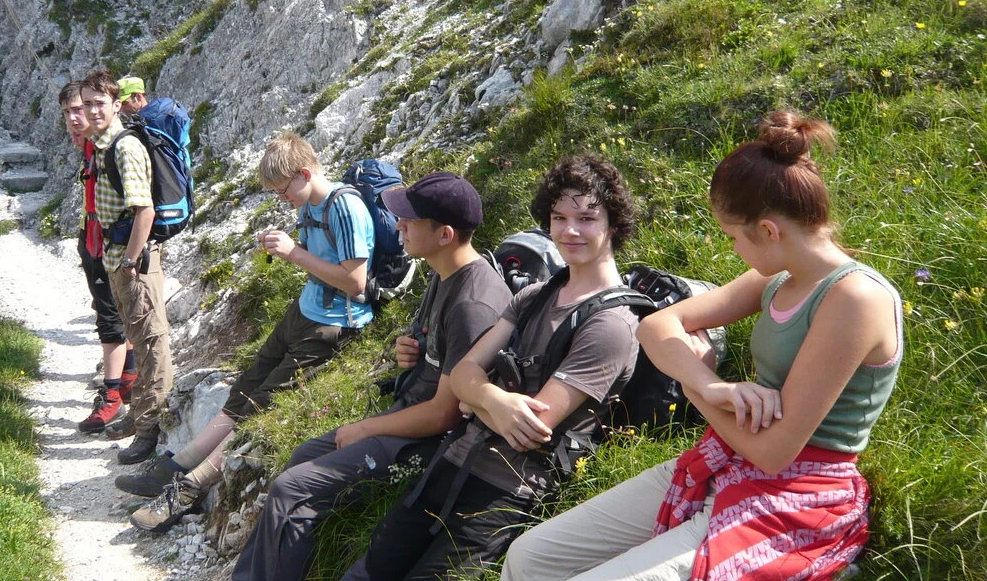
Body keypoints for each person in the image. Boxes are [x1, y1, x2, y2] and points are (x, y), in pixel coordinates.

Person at [500, 111, 903, 581]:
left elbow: (774, 451)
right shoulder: (776, 277)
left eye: (733, 237)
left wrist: (695, 390)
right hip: (729, 457)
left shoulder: (855, 298)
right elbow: (657, 326)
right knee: (527, 559)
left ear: (769, 231)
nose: (732, 250)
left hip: (797, 497)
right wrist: (711, 385)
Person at [343, 154, 642, 581]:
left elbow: (532, 427)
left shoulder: (611, 324)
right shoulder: (534, 296)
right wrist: (492, 399)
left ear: (614, 225)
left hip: (505, 491)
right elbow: (464, 374)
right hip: (450, 465)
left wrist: (475, 396)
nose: (569, 230)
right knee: (367, 572)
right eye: (558, 216)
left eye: (587, 217)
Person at [232, 172, 514, 581]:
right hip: (409, 417)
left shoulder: (473, 304)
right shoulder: (445, 272)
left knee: (292, 492)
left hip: (426, 443)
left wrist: (365, 427)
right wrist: (414, 354)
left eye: (409, 221)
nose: (397, 225)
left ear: (445, 234)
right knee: (300, 461)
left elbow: (445, 416)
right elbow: (441, 363)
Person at [125, 131, 375, 531]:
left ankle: (189, 489)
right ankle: (178, 463)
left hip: (334, 324)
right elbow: (318, 264)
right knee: (247, 386)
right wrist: (290, 251)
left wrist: (294, 252)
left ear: (304, 173)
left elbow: (356, 283)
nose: (281, 198)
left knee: (262, 403)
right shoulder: (311, 204)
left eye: (282, 190)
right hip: (306, 309)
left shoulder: (345, 209)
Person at [81, 69, 175, 465]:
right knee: (137, 334)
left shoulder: (124, 148)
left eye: (99, 103)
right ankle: (138, 416)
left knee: (152, 342)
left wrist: (132, 262)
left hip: (132, 259)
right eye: (86, 104)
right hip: (117, 255)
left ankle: (150, 429)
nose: (91, 110)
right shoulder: (102, 145)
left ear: (116, 104)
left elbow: (145, 211)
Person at [59, 80, 137, 435]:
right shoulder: (93, 147)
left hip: (106, 240)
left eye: (83, 108)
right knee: (113, 308)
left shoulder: (112, 146)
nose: (77, 118)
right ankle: (130, 372)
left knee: (108, 313)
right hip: (92, 235)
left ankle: (111, 395)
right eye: (69, 112)